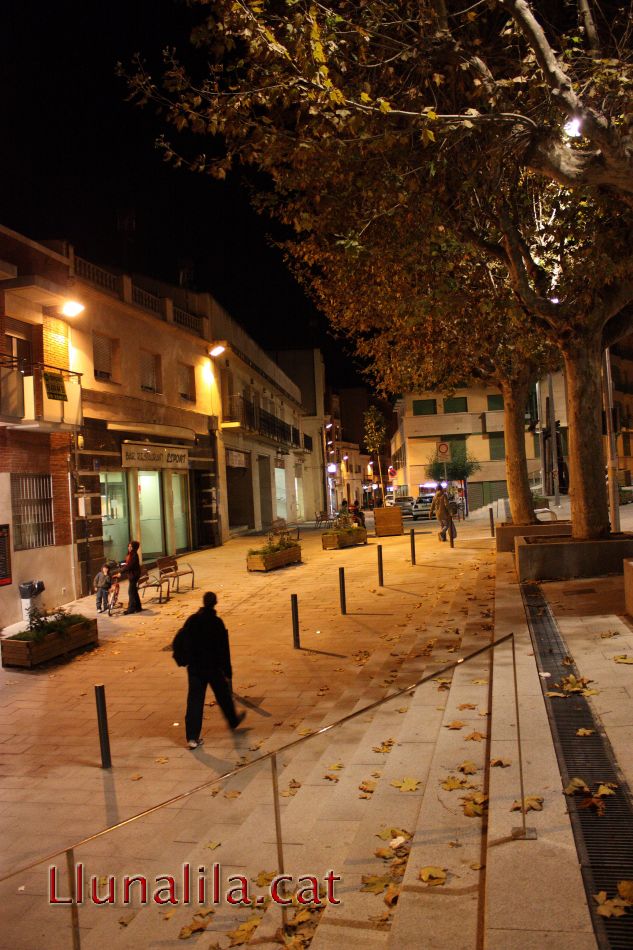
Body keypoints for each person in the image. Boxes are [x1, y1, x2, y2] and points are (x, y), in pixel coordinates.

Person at [173, 591, 246, 749]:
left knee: (194, 701)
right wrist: (227, 672)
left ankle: (192, 737)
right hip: (212, 668)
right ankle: (233, 720)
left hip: (195, 668)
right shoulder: (217, 623)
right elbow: (224, 650)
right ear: (215, 603)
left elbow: (182, 639)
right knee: (223, 695)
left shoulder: (192, 620)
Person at [121, 540, 142, 615]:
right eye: (128, 546)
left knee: (131, 592)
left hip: (134, 575)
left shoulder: (134, 555)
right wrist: (123, 564)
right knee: (134, 591)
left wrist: (121, 571)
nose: (129, 548)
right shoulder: (130, 554)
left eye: (131, 546)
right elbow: (127, 563)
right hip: (132, 575)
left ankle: (131, 609)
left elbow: (130, 565)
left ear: (134, 548)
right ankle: (138, 607)